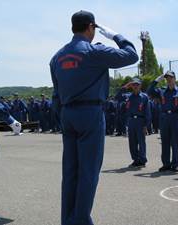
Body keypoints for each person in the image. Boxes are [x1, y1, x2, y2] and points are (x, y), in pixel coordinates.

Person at [49, 10, 138, 225]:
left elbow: (56, 95)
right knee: (88, 171)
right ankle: (80, 220)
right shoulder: (93, 52)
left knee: (70, 171)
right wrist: (116, 36)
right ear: (91, 27)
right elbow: (132, 55)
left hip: (68, 114)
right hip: (90, 113)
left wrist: (63, 118)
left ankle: (68, 219)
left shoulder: (57, 57)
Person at [148, 71, 178, 172]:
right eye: (167, 78)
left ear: (174, 78)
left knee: (174, 143)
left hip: (175, 118)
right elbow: (149, 91)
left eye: (170, 78)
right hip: (164, 118)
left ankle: (175, 164)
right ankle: (166, 164)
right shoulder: (162, 91)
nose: (169, 80)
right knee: (165, 142)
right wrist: (156, 80)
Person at [116, 78, 151, 168]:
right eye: (134, 84)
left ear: (140, 86)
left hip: (140, 121)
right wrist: (125, 86)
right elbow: (118, 97)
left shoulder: (144, 97)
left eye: (137, 84)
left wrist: (146, 125)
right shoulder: (128, 96)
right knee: (132, 142)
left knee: (141, 141)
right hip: (131, 121)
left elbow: (147, 112)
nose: (135, 86)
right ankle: (135, 159)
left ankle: (142, 160)